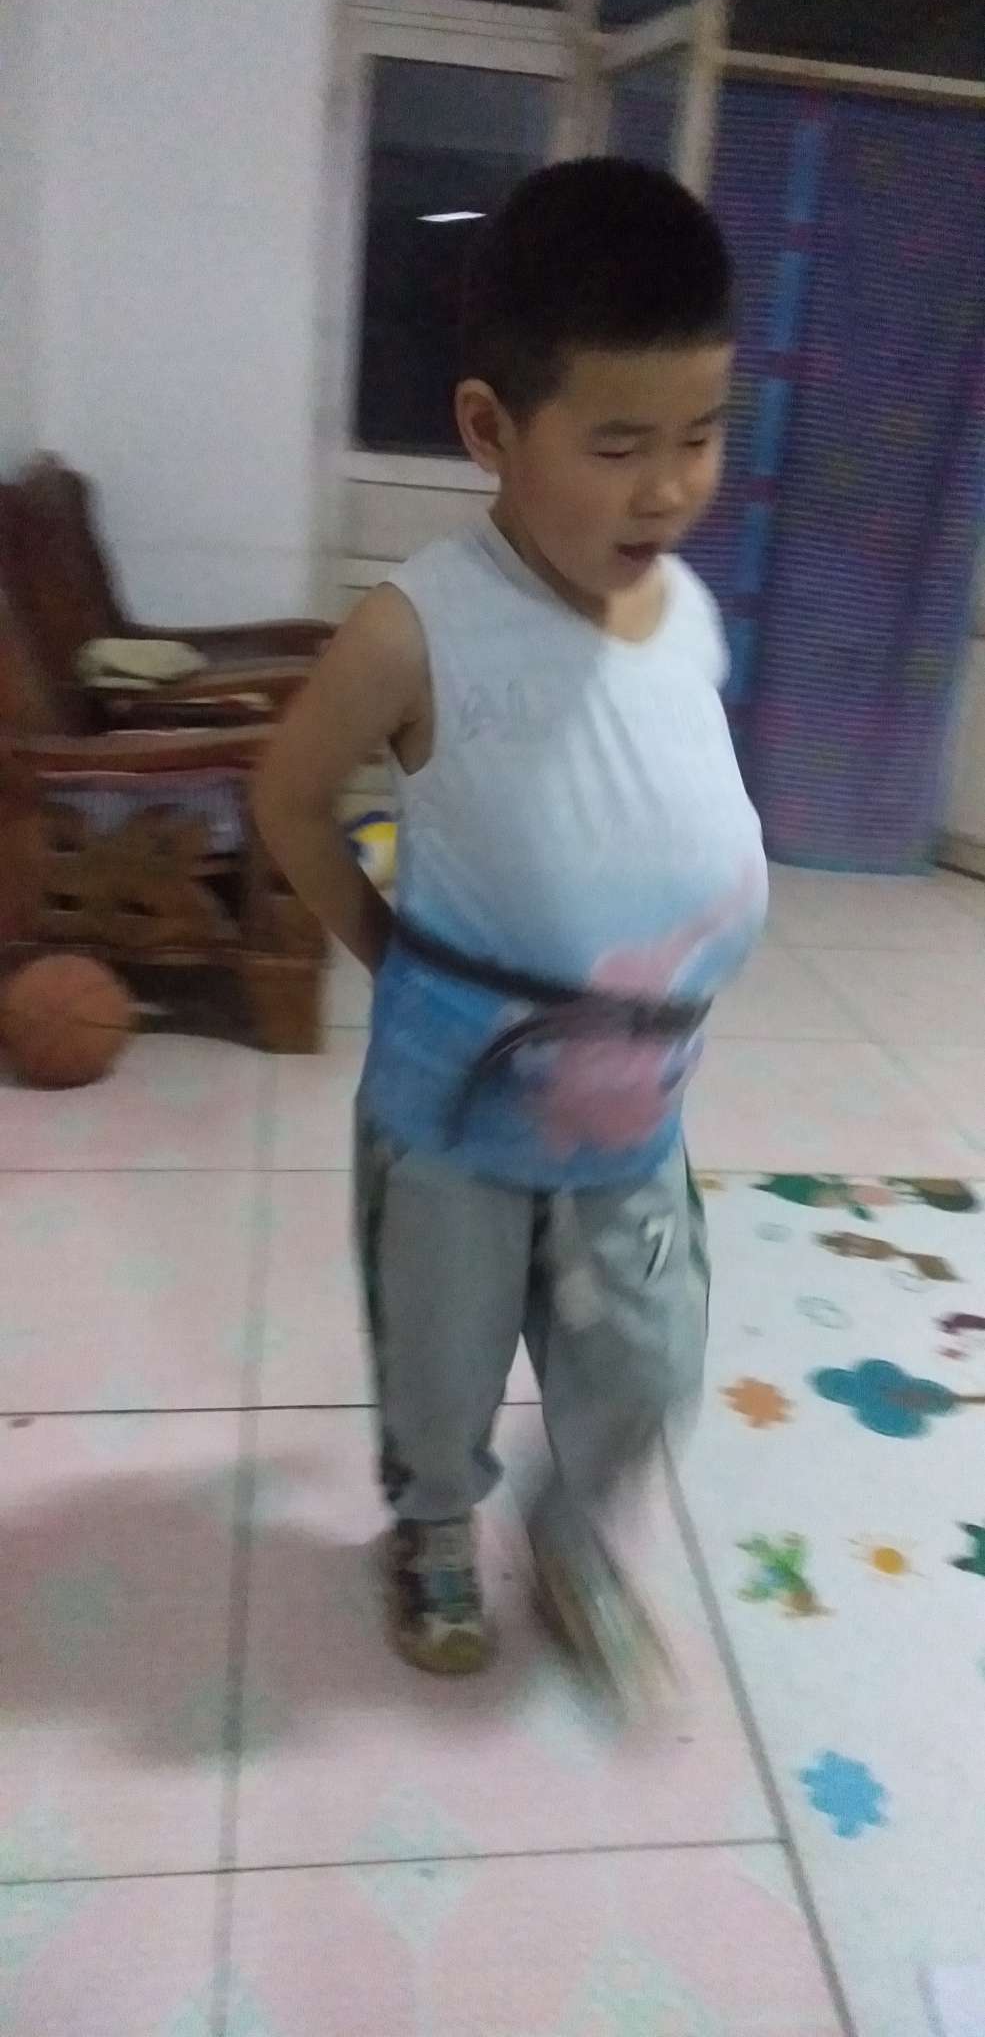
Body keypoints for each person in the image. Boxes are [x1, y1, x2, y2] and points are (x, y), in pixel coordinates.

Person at [254, 158, 768, 1712]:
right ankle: (431, 1529)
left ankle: (574, 1533)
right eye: (617, 446)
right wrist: (389, 959)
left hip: (630, 1115)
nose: (667, 489)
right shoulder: (418, 625)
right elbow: (290, 798)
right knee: (443, 1354)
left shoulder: (684, 613)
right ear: (489, 428)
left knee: (646, 1361)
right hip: (455, 1122)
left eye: (699, 435)